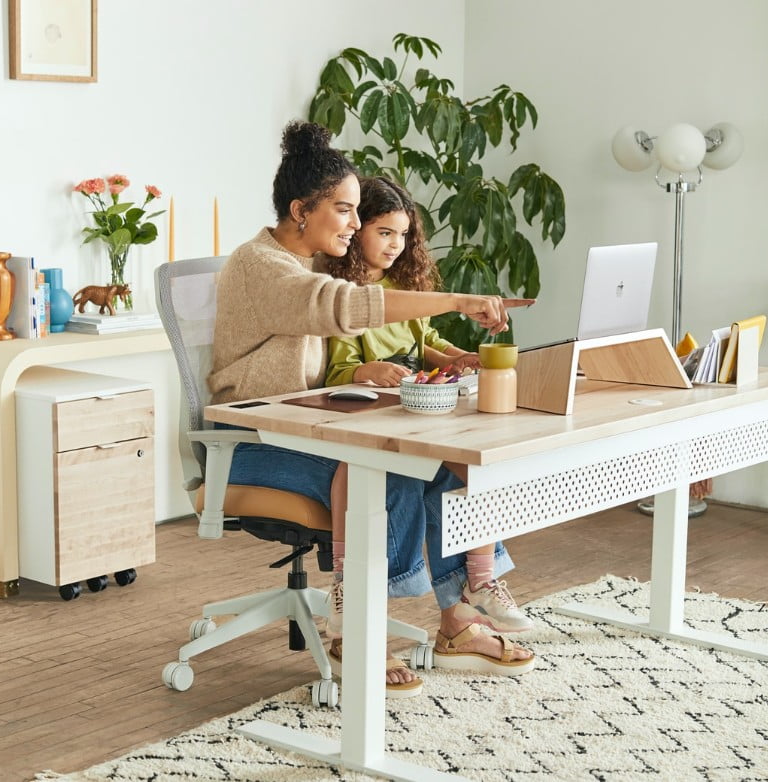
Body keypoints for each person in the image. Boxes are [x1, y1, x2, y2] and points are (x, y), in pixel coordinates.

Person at [208, 120, 534, 699]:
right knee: (389, 466)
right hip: (251, 442)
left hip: (305, 426)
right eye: (345, 210)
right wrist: (460, 299)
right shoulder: (263, 267)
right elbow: (348, 308)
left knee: (437, 462)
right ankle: (353, 624)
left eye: (359, 212)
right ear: (300, 209)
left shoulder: (310, 263)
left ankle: (460, 619)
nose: (357, 225)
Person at [324, 176, 534, 647]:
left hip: (414, 409)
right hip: (367, 420)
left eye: (403, 235)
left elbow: (426, 346)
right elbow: (338, 372)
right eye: (384, 233)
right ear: (356, 229)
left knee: (473, 465)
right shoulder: (343, 293)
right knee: (392, 470)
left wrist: (461, 358)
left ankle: (478, 581)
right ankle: (348, 587)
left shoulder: (405, 287)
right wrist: (366, 370)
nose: (396, 245)